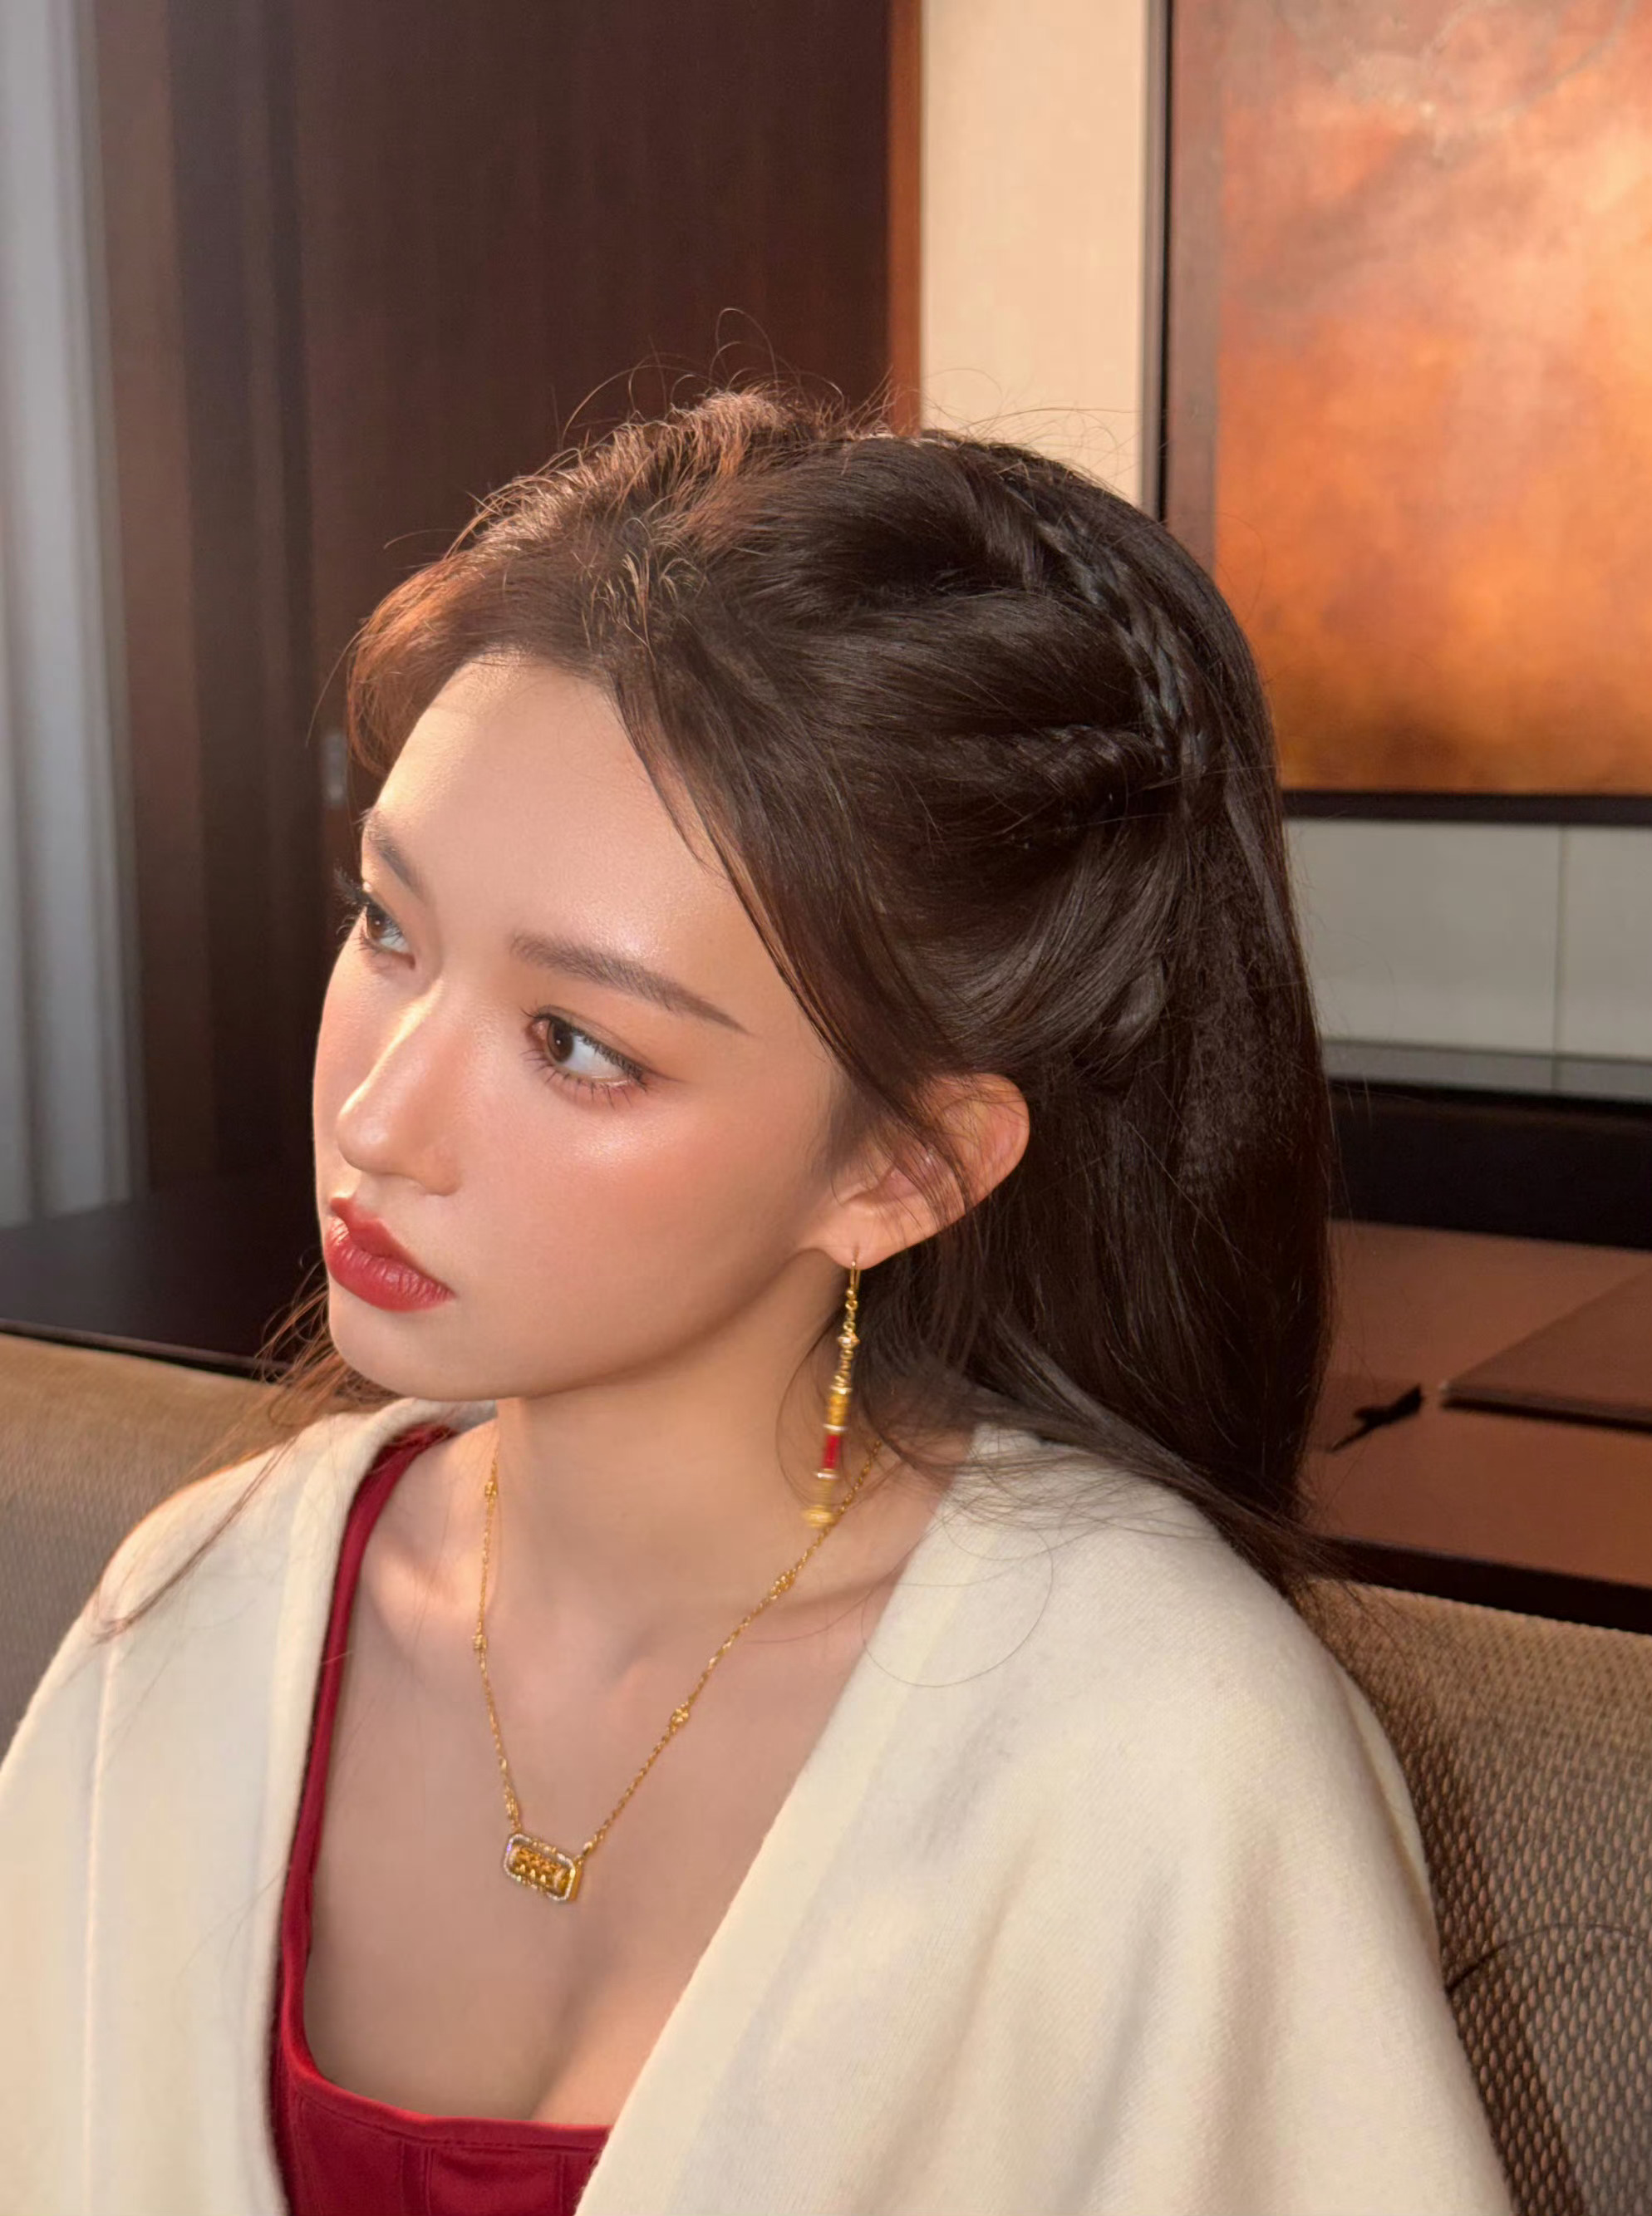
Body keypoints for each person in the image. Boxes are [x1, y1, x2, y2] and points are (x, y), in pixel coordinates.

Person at [0, 387, 1516, 2216]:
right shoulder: (194, 1616)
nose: (378, 1116)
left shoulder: (1154, 1747)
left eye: (577, 1042)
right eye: (389, 925)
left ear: (905, 1169)